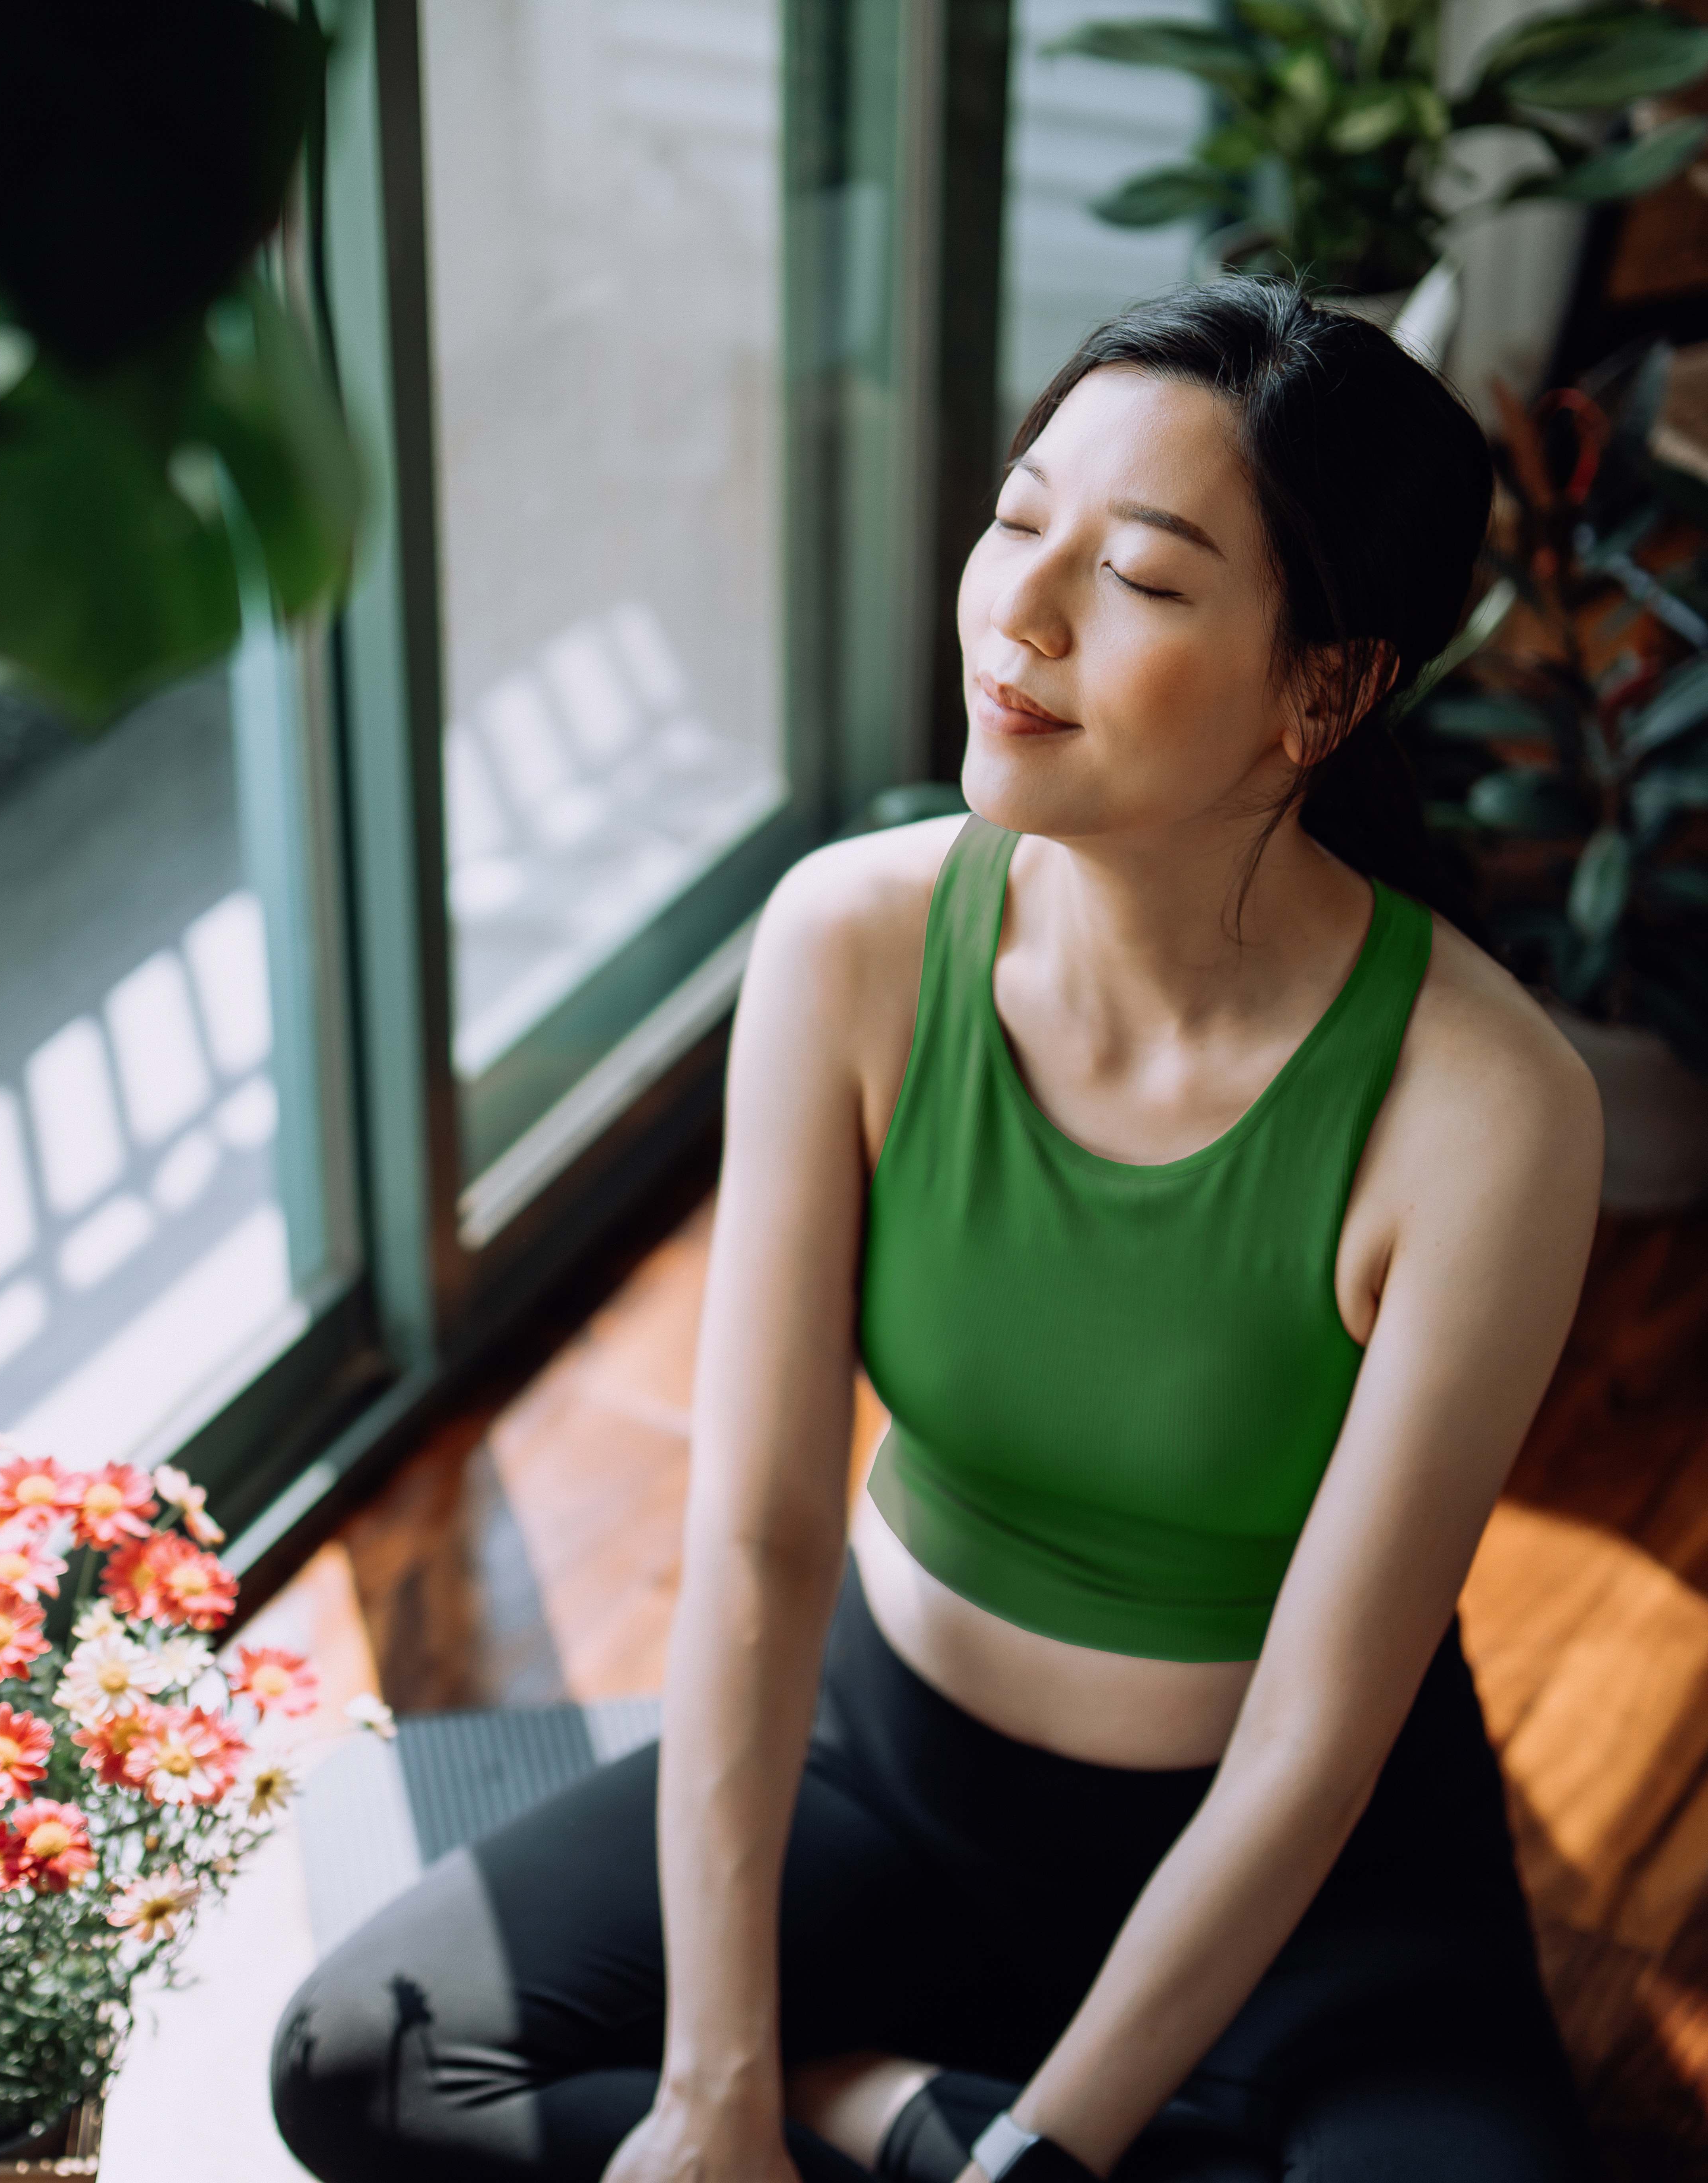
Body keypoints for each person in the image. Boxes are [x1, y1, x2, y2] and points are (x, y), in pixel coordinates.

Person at [270, 278, 1605, 2183]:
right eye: (1017, 518)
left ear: (1325, 689)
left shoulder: (1490, 1108)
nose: (1023, 615)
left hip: (1306, 1888)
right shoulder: (853, 937)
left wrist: (1049, 2157)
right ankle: (878, 2106)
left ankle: (974, 2119)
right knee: (366, 2054)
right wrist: (721, 2081)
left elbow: (1316, 1741)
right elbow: (757, 1535)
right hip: (887, 1784)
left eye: (1141, 579)